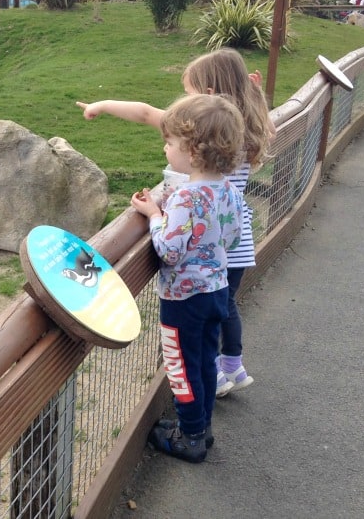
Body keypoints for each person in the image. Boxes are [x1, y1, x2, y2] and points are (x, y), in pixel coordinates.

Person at [76, 48, 275, 398]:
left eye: (190, 92)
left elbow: (144, 113)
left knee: (203, 313)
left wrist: (103, 105)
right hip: (233, 236)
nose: (185, 101)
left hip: (204, 240)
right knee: (224, 305)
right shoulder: (246, 129)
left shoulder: (201, 133)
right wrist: (254, 92)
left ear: (210, 94)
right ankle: (232, 366)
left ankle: (210, 378)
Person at [129, 93, 244, 463]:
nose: (166, 148)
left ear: (192, 151)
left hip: (183, 298)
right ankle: (202, 427)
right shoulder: (228, 189)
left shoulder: (184, 199)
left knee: (181, 365)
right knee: (205, 360)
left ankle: (190, 436)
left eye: (171, 142)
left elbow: (169, 250)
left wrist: (153, 215)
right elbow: (233, 237)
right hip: (216, 290)